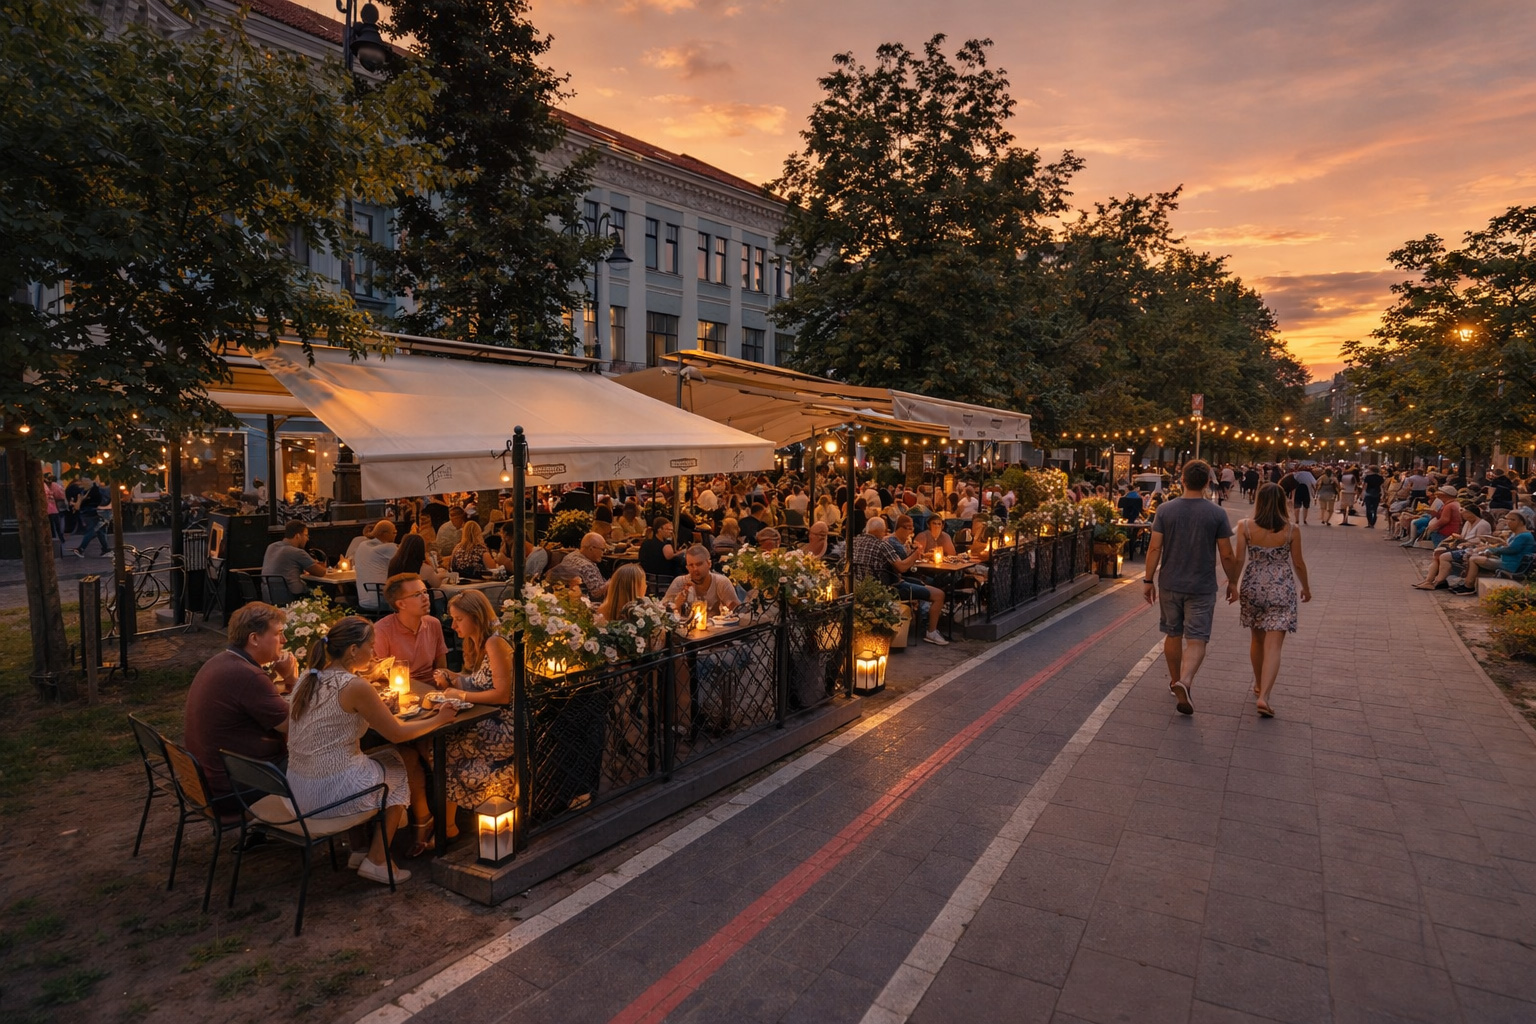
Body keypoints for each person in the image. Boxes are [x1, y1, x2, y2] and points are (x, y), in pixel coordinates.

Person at [285, 615, 450, 882]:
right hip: (327, 795)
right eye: (371, 647)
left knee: (374, 757)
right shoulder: (354, 686)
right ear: (353, 650)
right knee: (401, 766)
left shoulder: (309, 676)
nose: (374, 653)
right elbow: (396, 732)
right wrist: (438, 719)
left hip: (298, 788)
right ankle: (377, 858)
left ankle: (359, 848)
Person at [1142, 460, 1239, 716]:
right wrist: (1233, 581)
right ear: (1208, 482)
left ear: (1182, 480)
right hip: (1202, 585)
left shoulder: (1165, 510)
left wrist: (1148, 580)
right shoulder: (1217, 514)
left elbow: (1154, 548)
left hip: (1170, 583)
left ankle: (1175, 682)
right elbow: (1227, 554)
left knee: (1172, 634)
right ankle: (1186, 681)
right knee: (1197, 638)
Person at [183, 602, 296, 808]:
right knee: (328, 760)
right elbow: (291, 724)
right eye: (278, 633)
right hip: (236, 788)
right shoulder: (248, 676)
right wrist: (291, 678)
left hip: (210, 778)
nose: (284, 640)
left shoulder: (222, 661)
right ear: (254, 638)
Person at [434, 591, 515, 838]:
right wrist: (452, 677)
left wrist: (458, 695)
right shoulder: (477, 641)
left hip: (505, 725)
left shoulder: (495, 642)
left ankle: (444, 826)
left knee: (440, 744)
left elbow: (502, 695)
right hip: (487, 716)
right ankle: (444, 823)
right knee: (436, 743)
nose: (452, 625)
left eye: (458, 619)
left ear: (475, 617)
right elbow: (480, 681)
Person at [1232, 484, 1311, 717]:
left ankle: (1258, 684)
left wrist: (1232, 584)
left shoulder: (1245, 526)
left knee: (1257, 640)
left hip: (1253, 586)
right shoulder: (1291, 530)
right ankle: (1264, 696)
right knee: (1274, 645)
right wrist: (1305, 587)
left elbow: (1238, 559)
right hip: (1281, 587)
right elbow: (1298, 563)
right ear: (1281, 501)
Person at [851, 518, 949, 645]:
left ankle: (922, 621)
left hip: (859, 589)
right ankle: (931, 632)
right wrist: (916, 553)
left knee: (919, 583)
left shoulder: (853, 543)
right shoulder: (883, 545)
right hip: (887, 590)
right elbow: (902, 567)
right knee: (939, 594)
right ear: (883, 530)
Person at [373, 573, 449, 686]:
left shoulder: (433, 624)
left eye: (425, 592)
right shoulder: (382, 630)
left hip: (432, 688)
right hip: (400, 689)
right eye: (417, 594)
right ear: (401, 604)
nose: (425, 598)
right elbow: (380, 674)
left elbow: (441, 666)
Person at [1453, 512, 1534, 595]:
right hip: (1505, 560)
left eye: (1512, 520)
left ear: (1521, 522)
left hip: (1511, 564)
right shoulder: (1515, 534)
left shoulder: (1524, 536)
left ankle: (1468, 586)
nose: (1508, 522)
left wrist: (1492, 550)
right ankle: (1467, 582)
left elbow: (1511, 549)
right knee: (1474, 556)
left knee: (1474, 559)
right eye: (1507, 519)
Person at [664, 545, 739, 616]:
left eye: (699, 564)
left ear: (709, 564)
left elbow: (737, 610)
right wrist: (677, 604)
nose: (695, 569)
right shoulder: (680, 582)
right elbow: (662, 610)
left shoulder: (721, 582)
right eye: (691, 565)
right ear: (687, 567)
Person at [261, 520, 324, 604]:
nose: (307, 539)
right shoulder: (297, 552)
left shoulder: (271, 547)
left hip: (269, 596)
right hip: (291, 598)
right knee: (323, 594)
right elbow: (321, 572)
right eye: (305, 535)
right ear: (297, 536)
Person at [548, 531, 610, 600]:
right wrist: (613, 581)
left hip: (563, 596)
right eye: (602, 549)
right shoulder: (586, 566)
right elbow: (597, 594)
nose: (603, 553)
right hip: (585, 601)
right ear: (591, 548)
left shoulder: (570, 556)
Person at [354, 520, 398, 612]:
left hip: (363, 600)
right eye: (394, 532)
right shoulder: (389, 547)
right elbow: (404, 562)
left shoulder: (362, 545)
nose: (396, 535)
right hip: (382, 601)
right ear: (384, 534)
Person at [69, 473, 112, 558]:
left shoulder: (87, 490)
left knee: (100, 530)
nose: (83, 482)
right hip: (94, 513)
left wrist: (77, 503)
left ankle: (105, 549)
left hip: (90, 513)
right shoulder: (93, 490)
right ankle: (81, 548)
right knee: (93, 530)